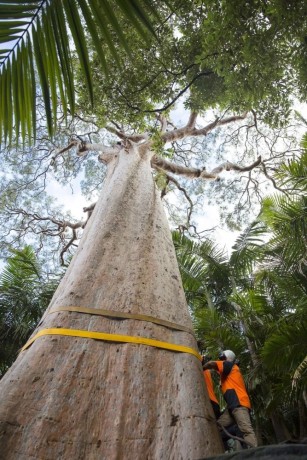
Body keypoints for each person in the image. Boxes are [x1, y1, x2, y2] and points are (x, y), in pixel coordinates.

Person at [203, 349, 257, 448]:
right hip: (232, 407)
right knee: (217, 426)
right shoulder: (228, 374)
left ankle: (255, 453)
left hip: (240, 404)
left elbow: (212, 364)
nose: (221, 361)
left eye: (222, 359)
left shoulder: (230, 366)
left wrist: (201, 367)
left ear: (227, 358)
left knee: (246, 430)